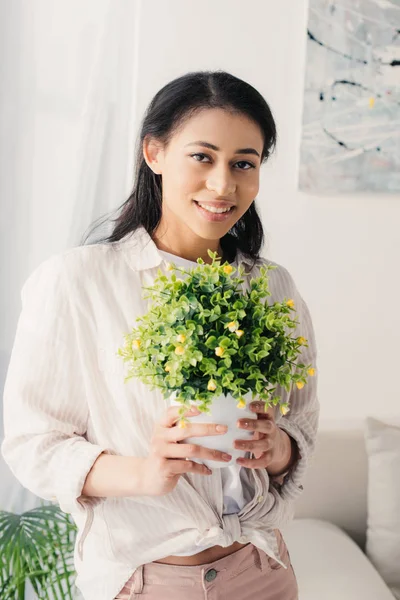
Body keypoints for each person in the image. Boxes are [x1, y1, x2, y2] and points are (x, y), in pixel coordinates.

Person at [1, 70, 319, 600]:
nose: (223, 185)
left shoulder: (271, 286)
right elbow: (32, 444)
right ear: (154, 153)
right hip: (147, 582)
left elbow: (302, 424)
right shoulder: (78, 281)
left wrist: (277, 447)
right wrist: (145, 472)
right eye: (203, 156)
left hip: (262, 572)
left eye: (244, 163)